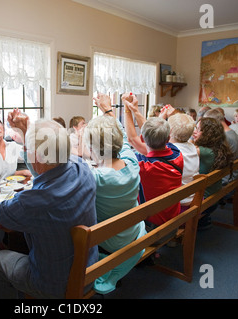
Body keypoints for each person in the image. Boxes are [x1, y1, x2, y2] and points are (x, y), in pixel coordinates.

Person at [0, 110, 98, 299]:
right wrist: (26, 133)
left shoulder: (33, 201)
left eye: (29, 151)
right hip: (89, 269)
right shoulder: (81, 167)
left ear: (36, 156)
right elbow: (43, 168)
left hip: (54, 283)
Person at [89, 93, 146, 294]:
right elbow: (121, 134)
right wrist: (108, 110)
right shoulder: (132, 163)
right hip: (132, 233)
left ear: (92, 147)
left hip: (112, 243)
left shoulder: (96, 177)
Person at [123, 96, 183, 228]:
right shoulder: (177, 153)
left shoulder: (143, 166)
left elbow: (131, 138)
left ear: (142, 138)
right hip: (173, 219)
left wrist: (127, 109)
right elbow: (141, 136)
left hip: (151, 226)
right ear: (168, 138)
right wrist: (136, 111)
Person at [192, 117, 233, 229]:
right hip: (214, 195)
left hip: (204, 200)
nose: (194, 131)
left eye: (199, 129)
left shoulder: (203, 151)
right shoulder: (219, 147)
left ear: (208, 134)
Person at [163, 108, 200, 211]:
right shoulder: (192, 147)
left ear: (169, 131)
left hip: (179, 204)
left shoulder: (171, 151)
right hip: (191, 199)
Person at [204, 108, 238, 184]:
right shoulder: (232, 133)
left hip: (225, 181)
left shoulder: (224, 138)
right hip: (232, 177)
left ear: (214, 123)